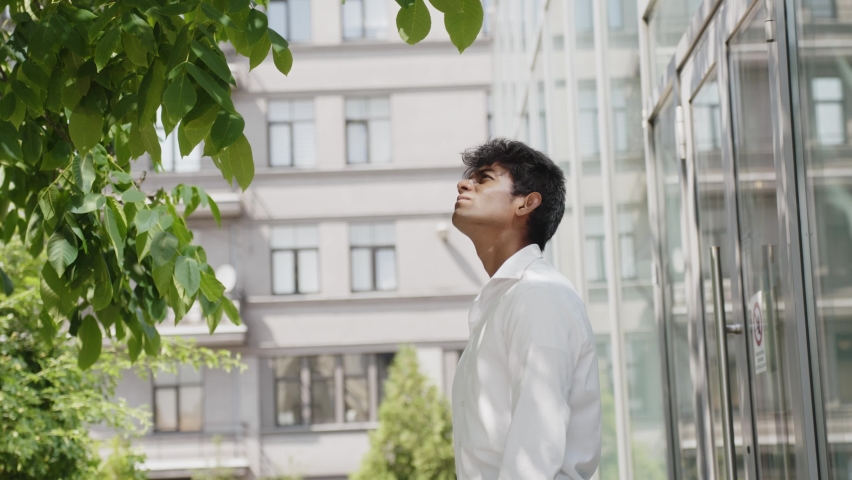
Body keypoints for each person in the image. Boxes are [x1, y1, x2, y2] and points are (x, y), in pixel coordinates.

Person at [450, 139, 602, 479]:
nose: (463, 185)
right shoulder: (505, 299)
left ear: (526, 203)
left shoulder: (537, 294)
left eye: (484, 178)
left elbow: (535, 453)